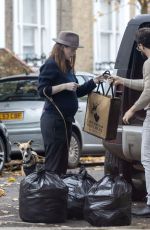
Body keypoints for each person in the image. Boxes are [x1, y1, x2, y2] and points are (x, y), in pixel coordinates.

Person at [38, 31, 102, 176]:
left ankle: (58, 194)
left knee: (62, 162)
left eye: (75, 50)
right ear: (62, 48)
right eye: (72, 50)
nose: (73, 53)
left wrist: (94, 81)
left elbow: (76, 92)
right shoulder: (50, 64)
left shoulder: (66, 66)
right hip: (53, 120)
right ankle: (50, 196)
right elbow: (42, 91)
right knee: (54, 163)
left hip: (65, 121)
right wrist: (64, 86)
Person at [109, 27, 150, 217]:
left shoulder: (148, 62)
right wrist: (122, 80)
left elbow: (148, 91)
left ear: (141, 45)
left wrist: (132, 109)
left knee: (147, 158)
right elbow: (146, 83)